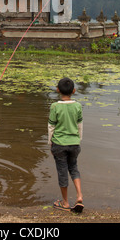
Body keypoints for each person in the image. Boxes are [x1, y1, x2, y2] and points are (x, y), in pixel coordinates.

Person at [48, 77, 84, 213]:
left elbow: (51, 126)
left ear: (57, 90)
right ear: (74, 91)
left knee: (62, 172)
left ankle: (65, 202)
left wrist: (50, 143)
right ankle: (79, 195)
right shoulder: (78, 106)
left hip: (59, 144)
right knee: (74, 168)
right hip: (74, 143)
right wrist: (78, 140)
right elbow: (80, 125)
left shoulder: (55, 106)